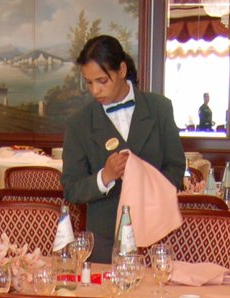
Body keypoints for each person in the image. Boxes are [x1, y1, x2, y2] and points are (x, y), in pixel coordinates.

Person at [61, 35, 184, 263]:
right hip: (104, 241)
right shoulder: (79, 123)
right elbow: (71, 189)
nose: (95, 90)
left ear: (122, 70)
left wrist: (148, 187)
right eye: (89, 83)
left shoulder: (160, 109)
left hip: (156, 237)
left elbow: (176, 168)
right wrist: (104, 177)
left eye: (102, 81)